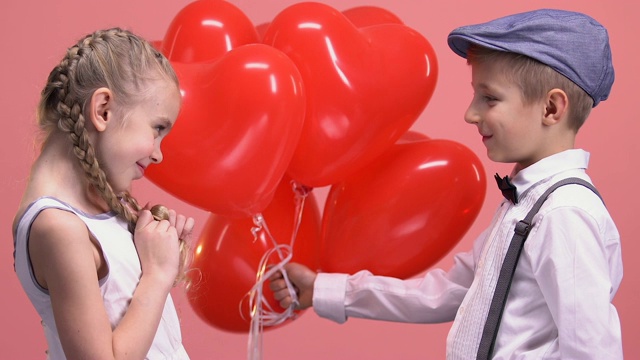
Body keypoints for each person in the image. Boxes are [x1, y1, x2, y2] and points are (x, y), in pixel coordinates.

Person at [270, 9, 623, 359]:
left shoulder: (565, 214)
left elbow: (593, 351)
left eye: (489, 98)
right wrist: (326, 289)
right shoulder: (529, 203)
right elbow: (453, 290)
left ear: (550, 108)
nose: (470, 113)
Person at [12, 27, 194, 359]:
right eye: (157, 129)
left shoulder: (90, 214)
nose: (158, 153)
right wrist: (156, 274)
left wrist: (153, 250)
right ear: (103, 110)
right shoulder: (57, 228)